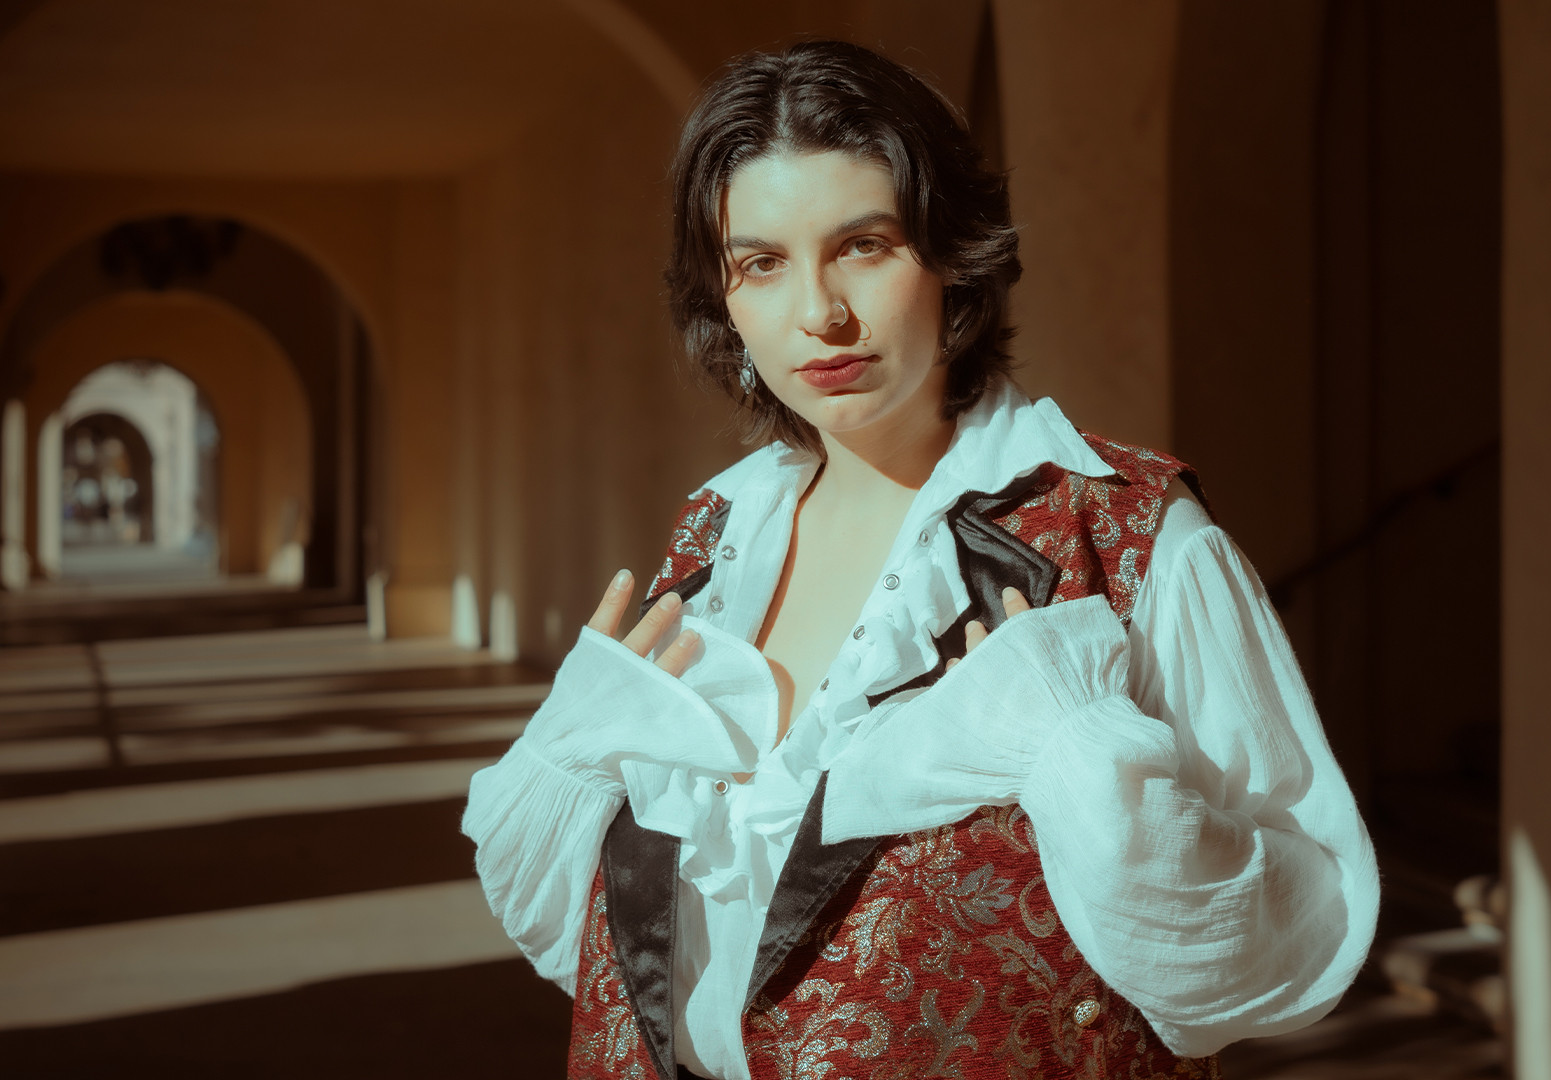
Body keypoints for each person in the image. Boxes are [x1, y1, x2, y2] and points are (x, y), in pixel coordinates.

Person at [463, 38, 1378, 1080]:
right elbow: (611, 957)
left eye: (863, 246)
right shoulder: (716, 540)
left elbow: (1286, 952)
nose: (820, 314)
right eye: (762, 263)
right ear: (724, 297)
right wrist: (571, 757)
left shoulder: (1127, 538)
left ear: (951, 254)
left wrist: (1086, 768)